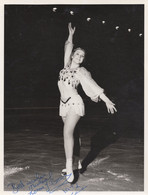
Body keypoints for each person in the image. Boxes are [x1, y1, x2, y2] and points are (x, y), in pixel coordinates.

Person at [57, 23, 117, 183]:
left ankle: (69, 167)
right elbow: (67, 47)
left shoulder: (81, 72)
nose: (79, 57)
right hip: (63, 104)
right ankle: (76, 162)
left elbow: (93, 86)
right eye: (77, 54)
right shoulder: (65, 66)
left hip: (75, 104)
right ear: (72, 56)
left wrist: (107, 101)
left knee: (67, 133)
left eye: (82, 56)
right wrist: (70, 35)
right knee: (74, 135)